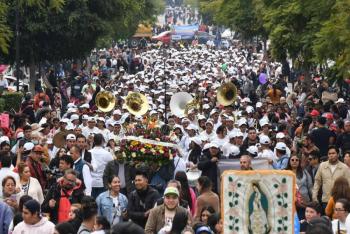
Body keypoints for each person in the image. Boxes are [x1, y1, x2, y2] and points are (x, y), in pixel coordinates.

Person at [312, 146, 350, 211]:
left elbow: (348, 185)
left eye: (333, 153)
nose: (331, 155)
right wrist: (314, 197)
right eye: (329, 154)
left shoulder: (344, 168)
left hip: (339, 201)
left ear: (338, 154)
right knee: (326, 220)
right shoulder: (322, 165)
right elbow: (317, 182)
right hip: (325, 200)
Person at [286, 155, 313, 220]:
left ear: (299, 162)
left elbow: (310, 186)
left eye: (296, 160)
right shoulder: (285, 173)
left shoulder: (304, 172)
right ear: (289, 162)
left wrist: (313, 199)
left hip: (304, 202)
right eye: (292, 160)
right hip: (290, 203)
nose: (294, 161)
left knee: (302, 221)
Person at [90, 134, 113, 198]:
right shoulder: (107, 153)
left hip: (92, 182)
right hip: (102, 182)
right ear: (103, 141)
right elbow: (113, 166)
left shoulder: (89, 152)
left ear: (94, 141)